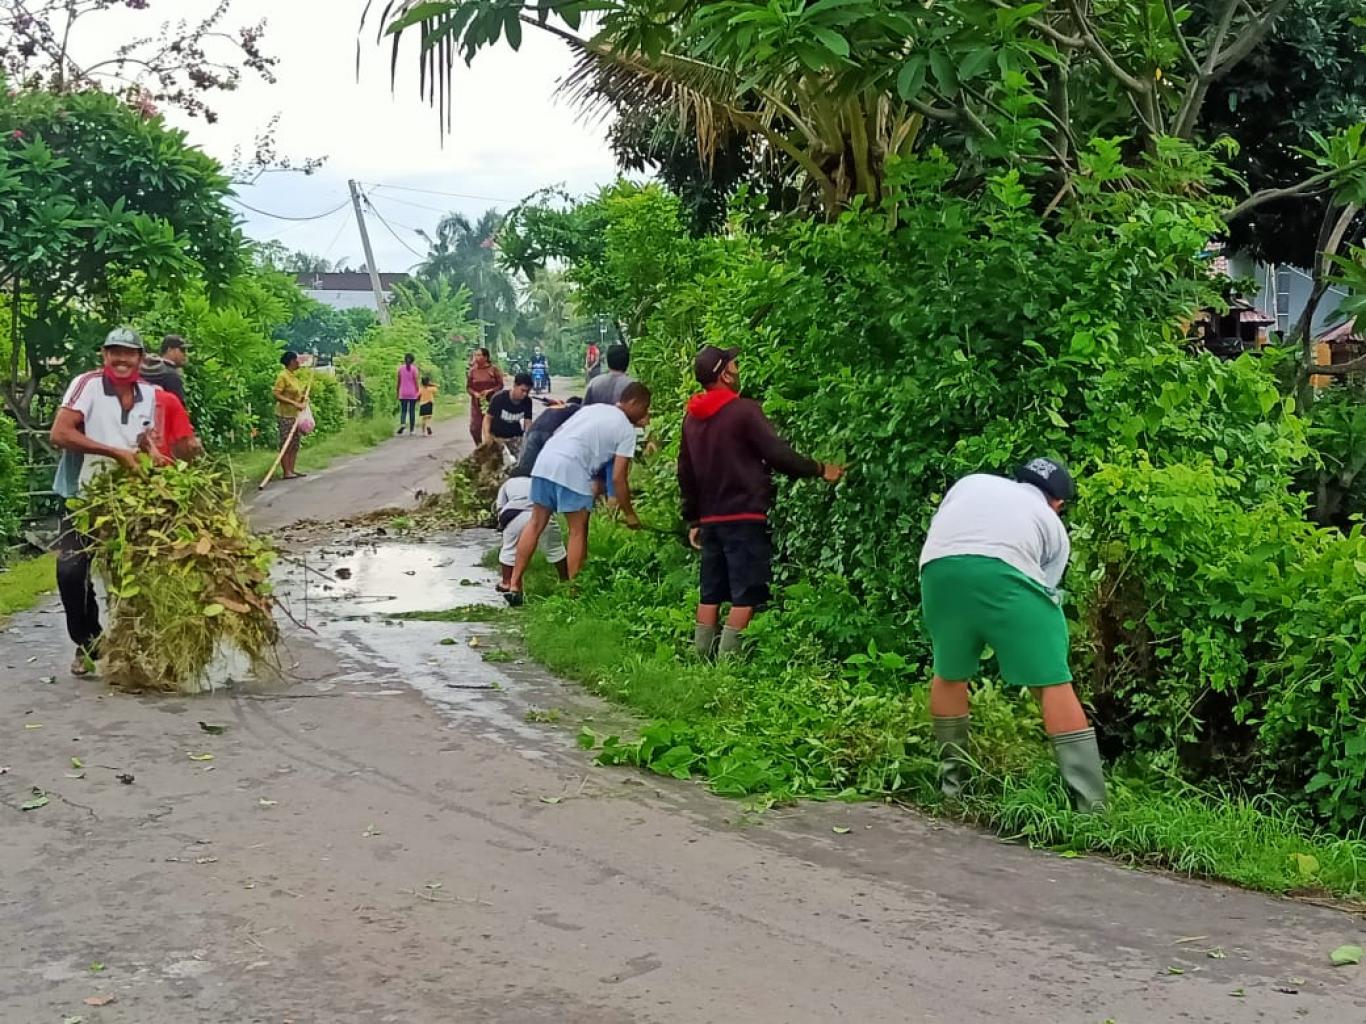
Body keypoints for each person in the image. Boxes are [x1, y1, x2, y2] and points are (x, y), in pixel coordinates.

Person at [918, 458, 1106, 813]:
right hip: (1008, 574)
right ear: (1058, 503)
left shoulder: (972, 482)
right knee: (1053, 681)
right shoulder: (1052, 525)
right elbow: (1042, 590)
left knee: (949, 673)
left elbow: (943, 530)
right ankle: (1092, 807)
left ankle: (952, 790)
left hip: (938, 570)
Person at [678, 345, 844, 662]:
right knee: (747, 592)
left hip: (711, 519)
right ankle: (728, 666)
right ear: (724, 373)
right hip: (744, 514)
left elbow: (685, 472)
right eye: (734, 364)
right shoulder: (744, 411)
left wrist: (694, 519)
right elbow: (777, 453)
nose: (738, 369)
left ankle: (700, 660)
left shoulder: (691, 419)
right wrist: (820, 469)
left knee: (710, 591)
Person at [49, 328, 159, 676]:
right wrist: (112, 451)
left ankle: (135, 644)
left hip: (127, 497)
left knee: (135, 573)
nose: (121, 360)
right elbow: (60, 433)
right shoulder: (88, 385)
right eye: (114, 352)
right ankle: (88, 642)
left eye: (129, 353)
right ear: (104, 355)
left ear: (141, 358)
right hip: (82, 498)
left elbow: (143, 437)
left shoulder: (150, 394)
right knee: (71, 572)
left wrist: (151, 453)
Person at [504, 382, 652, 606]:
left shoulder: (593, 409)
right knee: (577, 531)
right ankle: (572, 594)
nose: (646, 414)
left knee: (535, 523)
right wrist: (630, 514)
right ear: (634, 402)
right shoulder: (626, 430)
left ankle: (514, 584)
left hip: (545, 461)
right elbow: (619, 478)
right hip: (572, 469)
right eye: (645, 407)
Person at [495, 470, 570, 592]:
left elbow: (500, 507)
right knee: (555, 548)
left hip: (515, 515)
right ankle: (565, 580)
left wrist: (502, 525)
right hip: (542, 514)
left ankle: (507, 582)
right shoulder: (540, 482)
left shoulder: (508, 483)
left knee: (509, 548)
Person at [514, 396, 582, 476]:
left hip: (533, 431)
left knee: (527, 468)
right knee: (550, 470)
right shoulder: (578, 409)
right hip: (550, 434)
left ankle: (520, 484)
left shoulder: (557, 407)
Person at [272, 351, 308, 481]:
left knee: (294, 443)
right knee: (286, 442)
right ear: (292, 361)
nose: (299, 362)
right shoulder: (283, 376)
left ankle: (292, 470)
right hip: (285, 414)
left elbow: (295, 394)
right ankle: (286, 471)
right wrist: (294, 403)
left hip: (295, 415)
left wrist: (302, 399)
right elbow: (277, 394)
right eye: (297, 360)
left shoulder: (293, 376)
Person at [483, 372, 534, 454]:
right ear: (515, 385)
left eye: (527, 391)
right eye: (523, 390)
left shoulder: (527, 402)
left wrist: (529, 437)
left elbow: (528, 421)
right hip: (497, 436)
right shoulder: (499, 398)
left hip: (515, 437)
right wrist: (487, 437)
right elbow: (487, 418)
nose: (525, 394)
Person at [466, 347, 504, 445]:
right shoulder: (472, 371)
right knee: (474, 428)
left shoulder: (494, 369)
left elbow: (500, 385)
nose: (476, 358)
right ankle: (479, 447)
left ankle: (493, 447)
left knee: (492, 427)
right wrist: (475, 393)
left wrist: (489, 391)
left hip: (492, 402)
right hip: (477, 403)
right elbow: (468, 387)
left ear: (485, 357)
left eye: (479, 355)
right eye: (475, 355)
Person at [139, 334, 188, 404]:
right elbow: (178, 407)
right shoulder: (171, 375)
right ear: (170, 350)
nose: (185, 354)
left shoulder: (142, 368)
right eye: (182, 350)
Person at [396, 352, 421, 435]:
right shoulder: (414, 369)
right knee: (412, 411)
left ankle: (403, 424)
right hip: (412, 393)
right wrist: (419, 392)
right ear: (413, 360)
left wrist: (397, 392)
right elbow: (416, 382)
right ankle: (412, 430)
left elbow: (398, 382)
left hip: (403, 393)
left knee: (403, 410)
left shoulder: (400, 369)